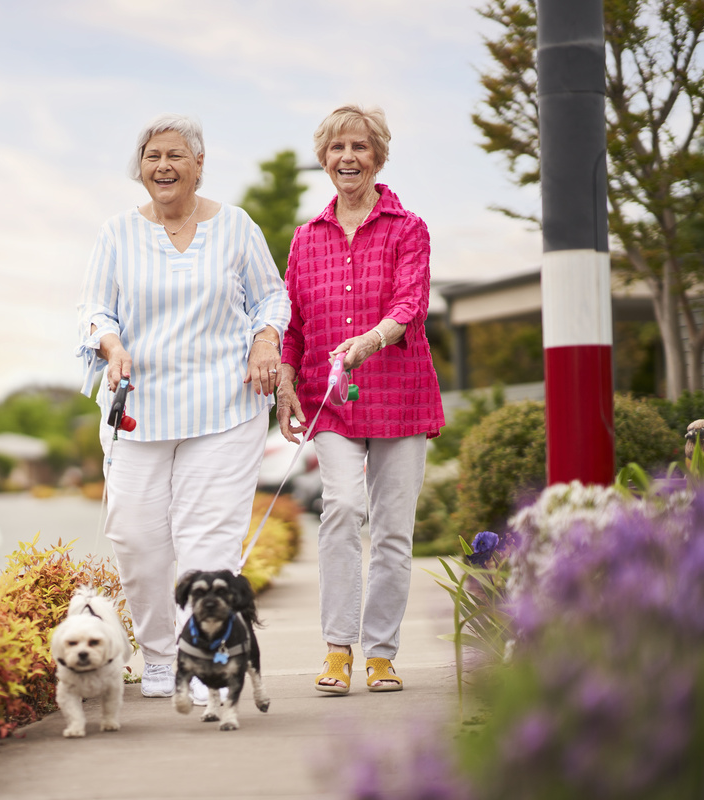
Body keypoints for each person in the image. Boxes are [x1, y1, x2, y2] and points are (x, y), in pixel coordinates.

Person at [76, 113, 289, 702]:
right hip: (140, 405)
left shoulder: (237, 226)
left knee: (208, 542)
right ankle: (158, 653)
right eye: (152, 157)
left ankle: (204, 659)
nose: (163, 166)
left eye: (175, 156)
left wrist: (265, 340)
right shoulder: (116, 232)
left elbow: (271, 295)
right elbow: (95, 308)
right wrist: (110, 343)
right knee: (136, 538)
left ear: (199, 165)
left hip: (224, 403)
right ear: (139, 169)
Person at [275, 105, 444, 694]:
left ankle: (380, 655)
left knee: (394, 531)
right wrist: (286, 383)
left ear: (378, 156)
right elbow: (293, 324)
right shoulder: (305, 238)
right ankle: (337, 650)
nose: (348, 158)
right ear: (324, 158)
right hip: (335, 403)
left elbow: (410, 305)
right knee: (343, 509)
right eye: (337, 148)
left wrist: (371, 340)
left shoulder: (408, 228)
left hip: (401, 395)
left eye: (360, 148)